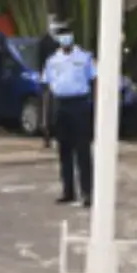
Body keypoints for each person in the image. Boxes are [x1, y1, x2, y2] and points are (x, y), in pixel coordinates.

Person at [41, 22, 95, 207]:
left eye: (68, 34)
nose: (65, 38)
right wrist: (46, 120)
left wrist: (93, 111)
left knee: (83, 151)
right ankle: (68, 190)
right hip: (61, 106)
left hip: (80, 105)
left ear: (73, 36)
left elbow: (94, 82)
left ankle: (87, 192)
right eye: (62, 35)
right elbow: (47, 89)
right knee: (64, 152)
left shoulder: (85, 57)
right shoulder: (52, 61)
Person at [36, 15, 61, 148]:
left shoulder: (60, 42)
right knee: (47, 108)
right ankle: (47, 134)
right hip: (48, 79)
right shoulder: (44, 41)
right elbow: (41, 61)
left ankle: (56, 133)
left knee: (57, 108)